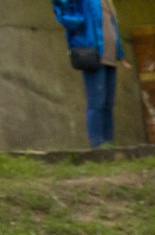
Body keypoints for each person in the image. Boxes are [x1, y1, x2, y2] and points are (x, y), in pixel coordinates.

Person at [52, 0, 128, 149]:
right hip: (93, 54)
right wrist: (78, 28)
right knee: (96, 102)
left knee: (108, 103)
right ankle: (97, 145)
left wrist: (120, 54)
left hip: (110, 56)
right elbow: (62, 9)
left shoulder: (107, 2)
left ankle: (108, 144)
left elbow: (112, 27)